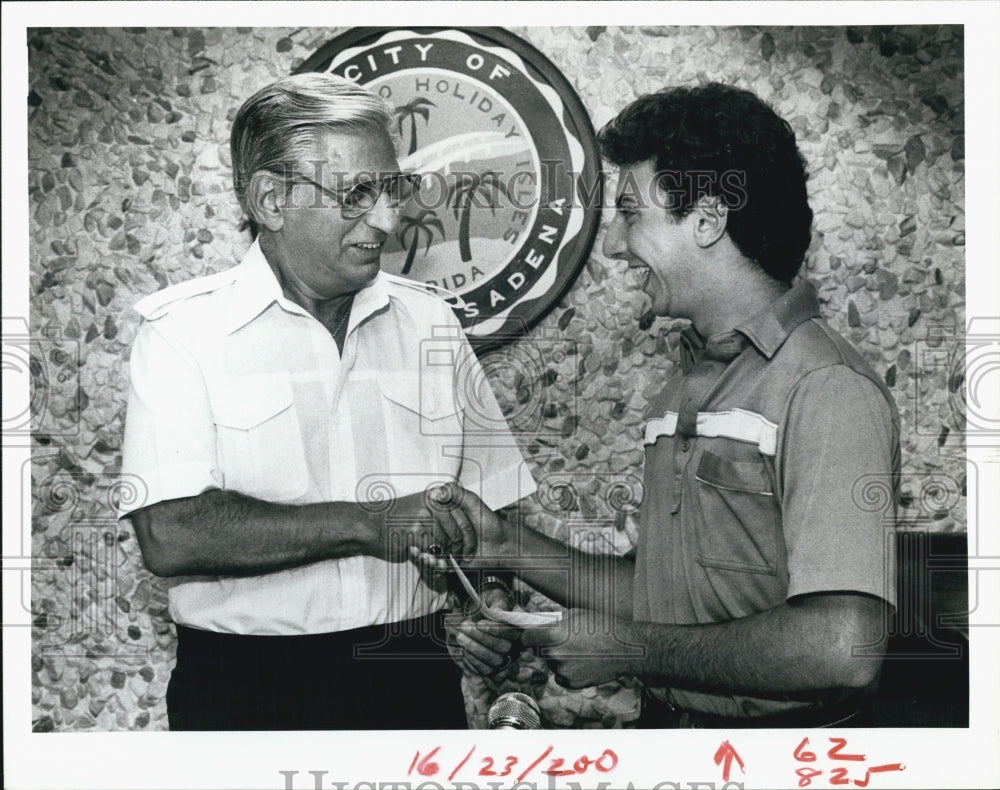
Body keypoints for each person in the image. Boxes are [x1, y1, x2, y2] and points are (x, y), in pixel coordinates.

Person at [438, 83, 900, 728]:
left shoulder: (824, 389)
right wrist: (505, 544)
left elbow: (840, 648)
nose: (616, 244)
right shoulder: (682, 386)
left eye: (631, 213)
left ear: (708, 219)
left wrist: (630, 649)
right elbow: (660, 597)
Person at [118, 73, 535, 730]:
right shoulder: (182, 334)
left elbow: (492, 508)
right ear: (271, 199)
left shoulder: (430, 323)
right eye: (357, 194)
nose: (389, 219)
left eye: (392, 188)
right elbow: (169, 534)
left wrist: (487, 601)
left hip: (414, 678)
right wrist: (369, 524)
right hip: (242, 691)